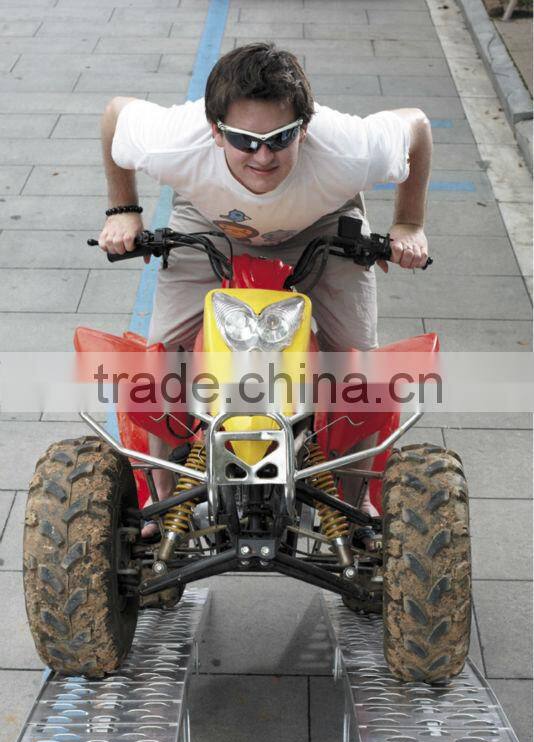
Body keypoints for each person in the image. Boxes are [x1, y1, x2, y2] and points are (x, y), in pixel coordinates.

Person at [98, 42, 432, 534]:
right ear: (214, 131)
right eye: (244, 140)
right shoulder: (172, 141)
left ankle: (356, 502)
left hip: (323, 225)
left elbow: (418, 128)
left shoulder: (349, 148)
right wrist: (122, 209)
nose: (263, 155)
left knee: (360, 369)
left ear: (305, 126)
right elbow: (114, 115)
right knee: (162, 361)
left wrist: (408, 223)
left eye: (281, 138)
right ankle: (165, 502)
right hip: (211, 224)